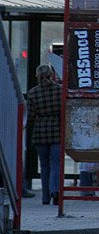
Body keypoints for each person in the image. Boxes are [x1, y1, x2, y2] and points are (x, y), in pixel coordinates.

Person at [26, 64, 61, 205]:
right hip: (57, 131)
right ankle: (55, 191)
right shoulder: (59, 91)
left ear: (37, 75)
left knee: (44, 165)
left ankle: (45, 197)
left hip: (40, 132)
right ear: (52, 75)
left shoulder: (32, 93)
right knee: (56, 164)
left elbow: (30, 116)